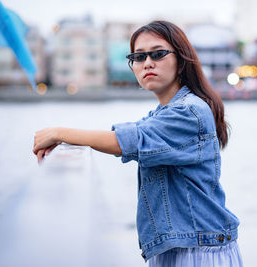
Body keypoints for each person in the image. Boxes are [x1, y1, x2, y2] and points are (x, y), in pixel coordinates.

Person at [33, 20, 243, 267]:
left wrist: (59, 133)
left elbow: (125, 142)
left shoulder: (189, 112)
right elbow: (134, 134)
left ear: (181, 60)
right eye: (139, 57)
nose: (148, 63)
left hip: (199, 250)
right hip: (179, 246)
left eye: (158, 53)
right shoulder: (164, 112)